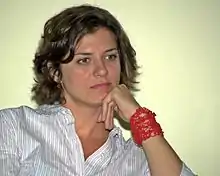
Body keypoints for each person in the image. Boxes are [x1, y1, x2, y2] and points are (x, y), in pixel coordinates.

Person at [0, 4, 196, 176]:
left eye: (110, 57)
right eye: (84, 60)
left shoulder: (140, 159)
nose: (102, 70)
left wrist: (140, 118)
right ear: (55, 73)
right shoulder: (14, 127)